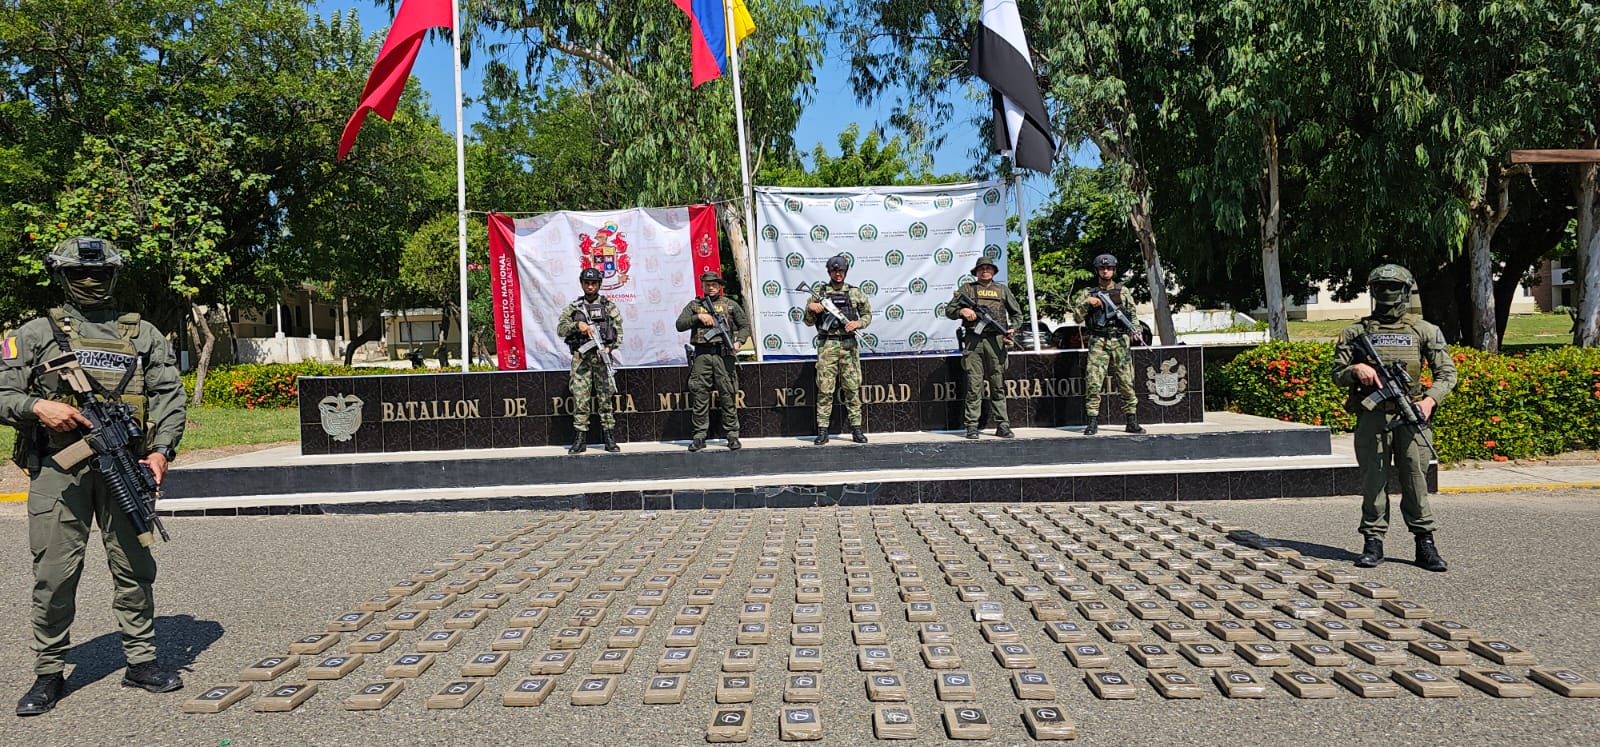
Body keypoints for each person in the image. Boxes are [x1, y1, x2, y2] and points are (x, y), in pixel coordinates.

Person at [0, 237, 187, 716]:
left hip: (125, 464)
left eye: (100, 274)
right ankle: (48, 673)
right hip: (57, 471)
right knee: (55, 573)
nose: (90, 281)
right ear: (62, 277)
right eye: (81, 274)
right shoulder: (33, 333)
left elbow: (168, 395)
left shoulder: (142, 334)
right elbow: (3, 393)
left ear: (114, 277)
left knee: (133, 566)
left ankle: (140, 661)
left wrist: (162, 451)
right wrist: (37, 406)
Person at [1332, 264, 1457, 572]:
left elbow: (1447, 373)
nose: (1387, 294)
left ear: (1405, 291)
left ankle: (1424, 543)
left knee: (1415, 481)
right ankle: (1373, 541)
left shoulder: (1423, 330)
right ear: (1372, 292)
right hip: (1373, 417)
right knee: (1374, 481)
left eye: (1393, 287)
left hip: (1411, 414)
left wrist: (1429, 400)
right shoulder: (1355, 333)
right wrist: (1355, 371)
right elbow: (1337, 374)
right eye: (1381, 287)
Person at [945, 256, 1022, 438]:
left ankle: (1002, 424)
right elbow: (949, 311)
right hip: (974, 341)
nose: (985, 271)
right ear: (976, 272)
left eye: (988, 268)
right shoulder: (967, 290)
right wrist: (962, 311)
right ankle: (972, 425)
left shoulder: (1002, 290)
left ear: (994, 271)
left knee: (998, 384)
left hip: (996, 341)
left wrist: (1012, 330)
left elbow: (1017, 315)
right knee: (974, 385)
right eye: (981, 268)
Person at [675, 271, 751, 452]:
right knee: (700, 395)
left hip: (724, 355)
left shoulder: (730, 305)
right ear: (702, 286)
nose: (711, 287)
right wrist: (698, 317)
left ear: (719, 286)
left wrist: (739, 341)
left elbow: (744, 326)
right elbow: (680, 324)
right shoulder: (695, 305)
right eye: (707, 284)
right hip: (702, 355)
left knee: (728, 394)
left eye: (714, 284)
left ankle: (732, 435)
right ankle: (699, 436)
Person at [1072, 254, 1145, 435]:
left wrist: (1136, 330)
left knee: (1126, 382)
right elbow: (1076, 317)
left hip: (1120, 340)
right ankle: (1092, 421)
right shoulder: (1088, 293)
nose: (1106, 271)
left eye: (1109, 268)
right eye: (1103, 268)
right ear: (1097, 270)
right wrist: (1088, 304)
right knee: (1094, 382)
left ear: (1113, 270)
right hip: (1099, 340)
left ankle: (1131, 420)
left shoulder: (1123, 291)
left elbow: (1133, 315)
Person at [803, 255, 871, 445]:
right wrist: (810, 309)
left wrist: (858, 323)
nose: (838, 274)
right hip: (827, 345)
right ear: (829, 272)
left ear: (845, 271)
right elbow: (808, 322)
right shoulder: (819, 293)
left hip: (849, 345)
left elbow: (867, 315)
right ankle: (823, 430)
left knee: (852, 388)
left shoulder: (855, 293)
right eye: (834, 271)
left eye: (841, 271)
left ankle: (856, 429)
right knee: (825, 389)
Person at [557, 267, 623, 454]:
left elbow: (618, 332)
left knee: (605, 399)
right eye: (587, 283)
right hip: (581, 360)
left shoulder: (608, 307)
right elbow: (560, 329)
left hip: (602, 359)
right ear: (582, 284)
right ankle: (580, 439)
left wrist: (609, 348)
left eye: (594, 283)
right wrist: (577, 325)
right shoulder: (574, 307)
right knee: (580, 400)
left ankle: (609, 437)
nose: (590, 286)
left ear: (599, 285)